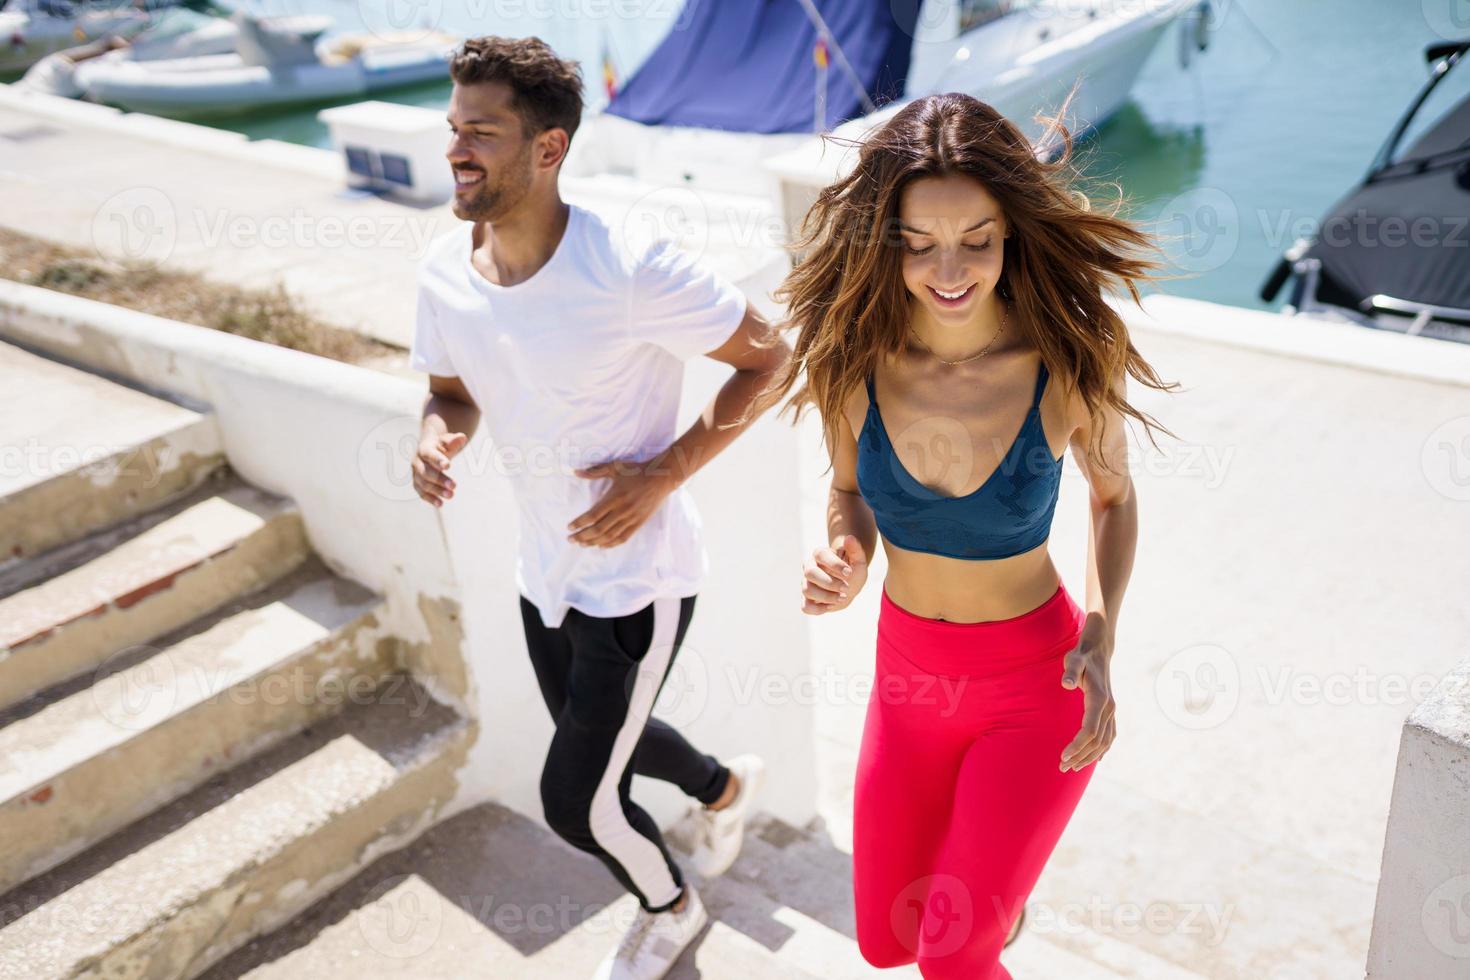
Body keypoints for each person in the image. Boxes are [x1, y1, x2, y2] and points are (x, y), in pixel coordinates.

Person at [765, 91, 1180, 978]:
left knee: (951, 960)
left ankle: (989, 909)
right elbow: (848, 491)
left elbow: (1115, 498)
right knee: (886, 942)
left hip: (1038, 688)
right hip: (906, 676)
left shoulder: (1067, 361)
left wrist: (1103, 636)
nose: (947, 268)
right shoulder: (849, 355)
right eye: (918, 244)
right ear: (888, 241)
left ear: (1012, 232)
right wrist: (849, 554)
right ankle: (1001, 901)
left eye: (976, 240)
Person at [407, 36, 790, 980]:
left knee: (577, 801)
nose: (457, 150)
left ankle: (673, 906)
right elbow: (451, 390)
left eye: (482, 133)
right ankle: (726, 786)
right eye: (455, 129)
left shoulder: (630, 267)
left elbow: (771, 357)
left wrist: (666, 472)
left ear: (548, 149)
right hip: (543, 573)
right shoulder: (443, 270)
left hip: (638, 583)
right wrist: (436, 435)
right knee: (607, 737)